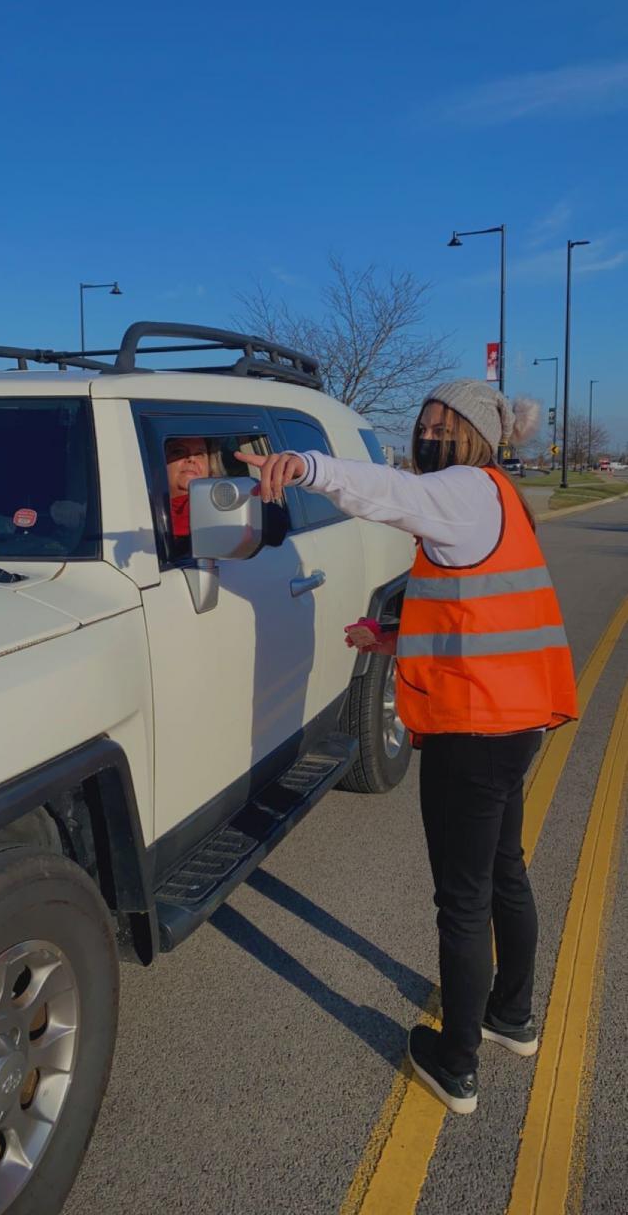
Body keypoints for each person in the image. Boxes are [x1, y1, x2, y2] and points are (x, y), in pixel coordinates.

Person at [236, 380, 578, 1116]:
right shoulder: (495, 496)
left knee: (462, 899)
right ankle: (512, 1016)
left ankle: (456, 1064)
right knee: (503, 870)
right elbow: (473, 608)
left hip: (471, 729)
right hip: (513, 718)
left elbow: (385, 492)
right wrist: (392, 637)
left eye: (439, 425)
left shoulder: (459, 489)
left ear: (470, 435)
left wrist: (308, 466)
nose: (426, 435)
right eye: (425, 424)